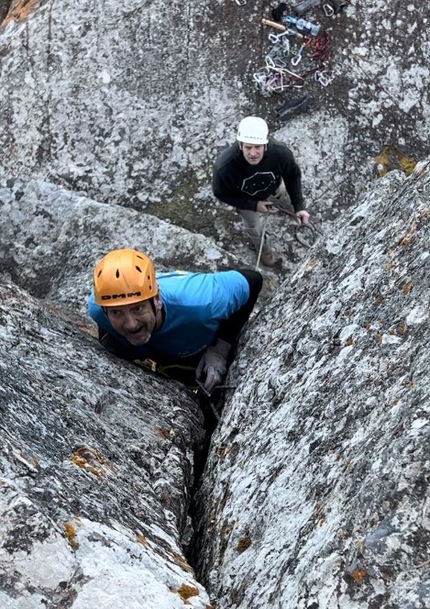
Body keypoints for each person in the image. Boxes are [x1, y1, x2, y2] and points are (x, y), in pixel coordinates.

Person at [87, 249, 263, 394]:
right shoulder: (98, 310)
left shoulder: (201, 302)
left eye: (138, 308)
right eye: (117, 312)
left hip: (201, 339)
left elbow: (253, 279)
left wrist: (220, 349)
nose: (131, 323)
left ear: (156, 300)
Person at [212, 116, 310, 267]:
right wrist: (253, 205)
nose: (253, 153)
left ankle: (290, 211)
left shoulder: (280, 153)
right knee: (253, 227)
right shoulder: (225, 166)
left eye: (257, 147)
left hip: (274, 188)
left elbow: (292, 176)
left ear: (265, 145)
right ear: (240, 145)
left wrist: (299, 206)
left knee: (284, 196)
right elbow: (220, 193)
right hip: (246, 200)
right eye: (248, 147)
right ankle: (263, 249)